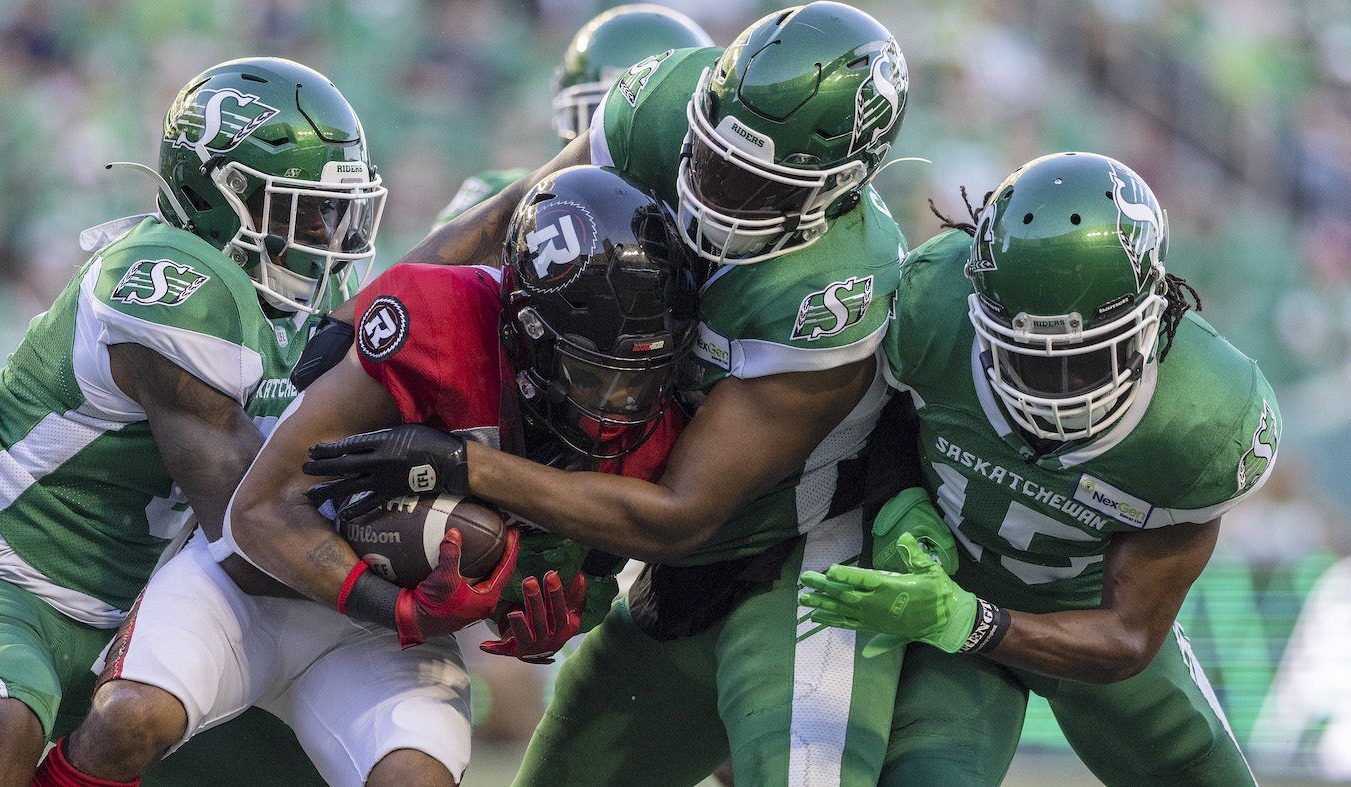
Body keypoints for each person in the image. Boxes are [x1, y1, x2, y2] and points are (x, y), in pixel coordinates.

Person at [307, 4, 916, 784]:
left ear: (840, 189)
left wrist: (463, 467)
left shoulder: (831, 291)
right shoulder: (663, 102)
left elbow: (680, 513)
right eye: (712, 155)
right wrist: (359, 315)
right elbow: (506, 213)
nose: (715, 190)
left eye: (759, 184)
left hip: (788, 557)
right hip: (657, 556)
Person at [44, 165, 698, 787]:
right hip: (250, 586)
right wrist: (399, 604)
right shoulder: (438, 326)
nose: (617, 401)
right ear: (523, 329)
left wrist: (550, 623)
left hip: (380, 639)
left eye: (640, 373)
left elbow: (593, 574)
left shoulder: (654, 432)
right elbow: (257, 510)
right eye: (592, 370)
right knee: (129, 716)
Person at [0, 56, 385, 786]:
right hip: (12, 580)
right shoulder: (170, 284)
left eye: (336, 210)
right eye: (305, 210)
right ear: (223, 194)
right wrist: (392, 590)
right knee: (4, 724)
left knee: (293, 759)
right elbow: (249, 526)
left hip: (137, 598)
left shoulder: (291, 300)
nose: (328, 234)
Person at [799, 152, 1277, 785]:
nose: (1053, 388)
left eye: (1083, 360)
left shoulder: (1204, 422)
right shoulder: (933, 302)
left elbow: (1129, 637)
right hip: (942, 587)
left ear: (1153, 314)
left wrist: (969, 620)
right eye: (1023, 356)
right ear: (979, 310)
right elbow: (870, 421)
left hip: (1076, 613)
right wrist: (900, 502)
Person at [429, 3, 712, 231]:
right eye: (595, 120)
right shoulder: (501, 198)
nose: (617, 145)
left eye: (645, 125)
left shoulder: (718, 222)